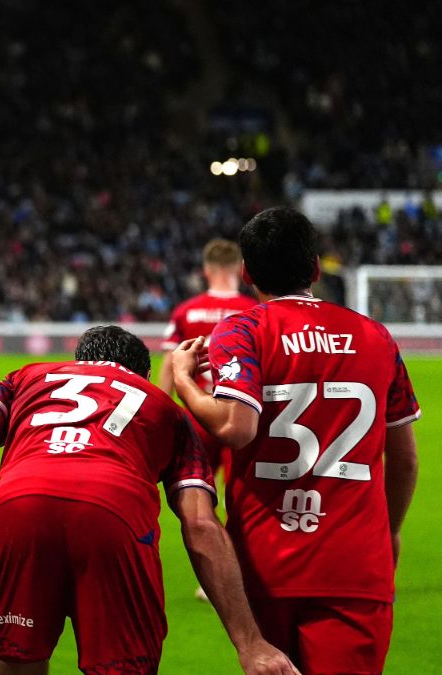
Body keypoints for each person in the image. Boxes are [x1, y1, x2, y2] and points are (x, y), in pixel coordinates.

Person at [0, 325, 298, 675]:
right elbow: (200, 525)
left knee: (13, 662)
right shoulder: (169, 411)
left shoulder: (26, 377)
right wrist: (251, 645)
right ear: (145, 376)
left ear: (78, 362)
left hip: (19, 506)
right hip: (113, 513)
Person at [171, 207, 420, 674]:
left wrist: (185, 381)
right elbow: (404, 459)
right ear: (316, 268)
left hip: (265, 561)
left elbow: (233, 427)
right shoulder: (376, 337)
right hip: (355, 564)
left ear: (247, 272)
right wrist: (389, 531)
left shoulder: (243, 330)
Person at [158, 238, 256, 600]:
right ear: (239, 272)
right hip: (241, 413)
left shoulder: (187, 311)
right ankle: (242, 573)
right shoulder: (252, 309)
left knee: (198, 502)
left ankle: (210, 576)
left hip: (197, 416)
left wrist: (161, 408)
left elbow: (171, 362)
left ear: (206, 270)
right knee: (242, 501)